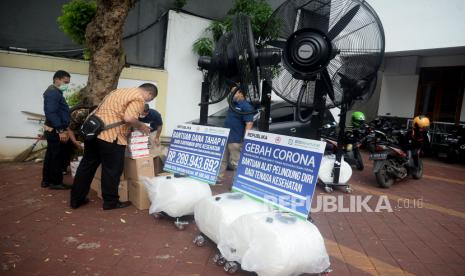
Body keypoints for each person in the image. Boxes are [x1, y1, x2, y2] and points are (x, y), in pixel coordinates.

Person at [70, 83, 157, 210]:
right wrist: (141, 126)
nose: (149, 100)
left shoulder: (118, 91)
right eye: (151, 98)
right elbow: (129, 117)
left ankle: (76, 199)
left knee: (86, 166)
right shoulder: (139, 98)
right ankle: (110, 202)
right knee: (112, 170)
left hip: (93, 132)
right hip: (111, 136)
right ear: (149, 94)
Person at [42, 70, 72, 190]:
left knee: (51, 155)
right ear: (57, 79)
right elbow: (51, 113)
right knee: (56, 156)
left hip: (53, 129)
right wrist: (60, 130)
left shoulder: (55, 92)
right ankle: (55, 182)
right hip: (55, 130)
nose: (67, 85)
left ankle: (46, 181)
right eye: (65, 82)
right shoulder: (53, 93)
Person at [218, 85, 254, 183]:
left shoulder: (246, 107)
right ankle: (218, 178)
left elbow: (249, 123)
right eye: (231, 91)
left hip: (236, 139)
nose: (232, 94)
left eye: (234, 92)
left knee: (236, 162)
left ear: (241, 93)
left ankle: (236, 183)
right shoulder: (232, 103)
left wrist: (246, 139)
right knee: (222, 159)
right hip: (226, 137)